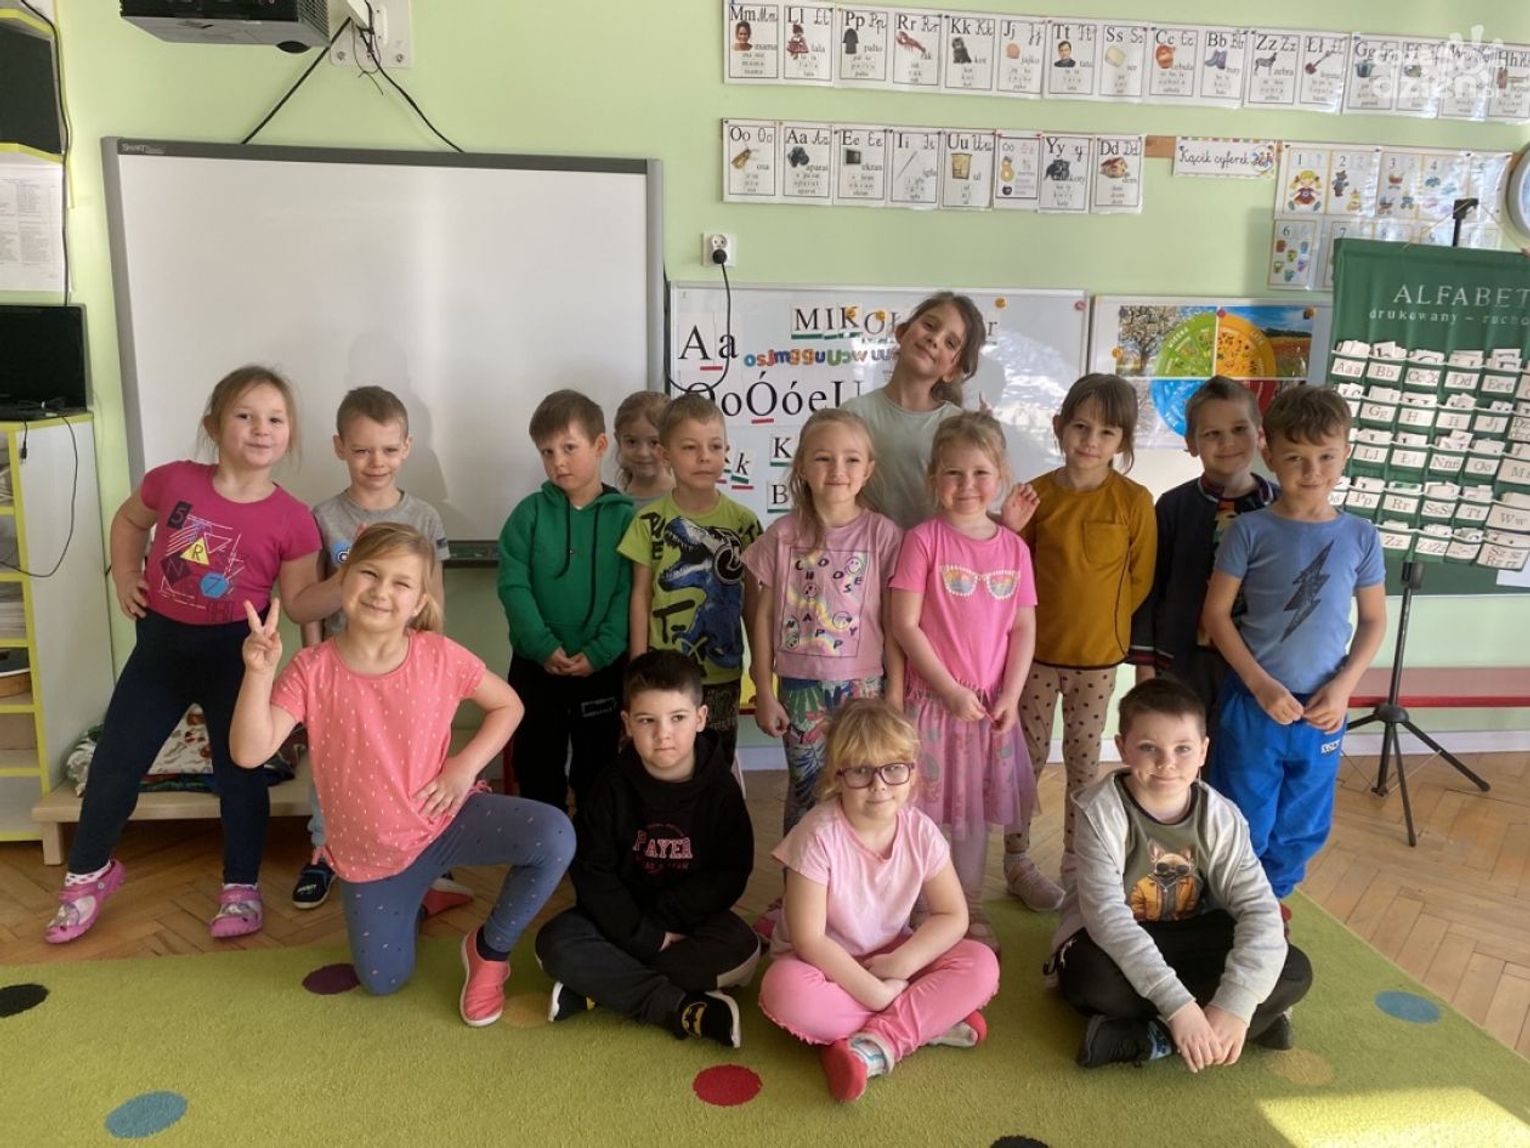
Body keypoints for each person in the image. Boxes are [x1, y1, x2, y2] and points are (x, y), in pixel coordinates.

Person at [230, 523, 575, 1025]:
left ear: (418, 603)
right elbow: (249, 752)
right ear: (345, 578)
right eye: (369, 573)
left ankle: (488, 951)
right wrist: (258, 673)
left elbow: (509, 706)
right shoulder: (311, 668)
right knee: (382, 982)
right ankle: (424, 896)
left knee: (555, 835)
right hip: (372, 858)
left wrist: (463, 768)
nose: (381, 591)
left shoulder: (439, 655)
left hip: (445, 821)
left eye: (401, 583)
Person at [46, 366, 326, 944]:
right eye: (245, 416)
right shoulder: (173, 480)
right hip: (160, 652)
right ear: (213, 426)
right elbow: (130, 520)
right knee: (113, 766)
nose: (261, 429)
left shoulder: (294, 519)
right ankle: (86, 877)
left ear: (290, 433)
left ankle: (241, 886)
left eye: (275, 419)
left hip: (236, 660)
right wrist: (125, 574)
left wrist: (351, 581)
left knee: (240, 776)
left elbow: (300, 604)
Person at [1050, 678, 1312, 1070]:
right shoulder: (1099, 812)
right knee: (1084, 976)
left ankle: (1151, 1038)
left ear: (1203, 750)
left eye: (1183, 748)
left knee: (1293, 967)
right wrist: (1178, 1006)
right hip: (1118, 942)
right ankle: (1252, 1024)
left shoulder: (1222, 817)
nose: (1167, 763)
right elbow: (1108, 920)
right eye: (1148, 747)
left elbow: (1258, 908)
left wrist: (1235, 1005)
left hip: (1194, 935)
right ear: (1122, 747)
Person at [758, 699, 999, 1104]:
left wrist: (900, 964)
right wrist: (877, 994)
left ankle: (874, 1044)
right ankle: (924, 1020)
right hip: (822, 965)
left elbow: (952, 914)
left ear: (912, 773)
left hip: (888, 957)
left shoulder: (920, 831)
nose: (879, 785)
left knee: (980, 962)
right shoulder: (817, 834)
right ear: (837, 776)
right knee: (783, 991)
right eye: (861, 771)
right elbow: (809, 940)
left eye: (893, 768)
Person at [1202, 385, 1386, 906]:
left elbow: (1374, 621)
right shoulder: (1249, 531)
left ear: (1346, 453)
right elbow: (1216, 615)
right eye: (1296, 458)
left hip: (1323, 709)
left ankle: (1272, 903)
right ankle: (1230, 904)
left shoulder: (1361, 536)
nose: (1312, 471)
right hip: (1254, 703)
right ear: (1269, 454)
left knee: (1303, 820)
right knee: (1243, 813)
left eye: (1326, 456)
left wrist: (1344, 688)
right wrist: (1260, 685)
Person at [534, 651, 760, 1047]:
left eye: (678, 718)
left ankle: (598, 989)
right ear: (627, 724)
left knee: (743, 949)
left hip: (689, 922)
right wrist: (643, 935)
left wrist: (662, 926)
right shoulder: (609, 785)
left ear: (701, 718)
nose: (663, 734)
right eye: (646, 720)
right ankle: (679, 1007)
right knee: (555, 944)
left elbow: (730, 872)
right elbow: (592, 870)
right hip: (620, 920)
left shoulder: (721, 789)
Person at [290, 385, 458, 910]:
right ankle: (324, 849)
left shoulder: (424, 518)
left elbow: (433, 601)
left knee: (411, 763)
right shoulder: (322, 517)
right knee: (333, 763)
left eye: (387, 449)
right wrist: (312, 669)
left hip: (406, 671)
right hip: (342, 669)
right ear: (339, 447)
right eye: (362, 450)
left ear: (406, 447)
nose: (376, 462)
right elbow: (308, 605)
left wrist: (430, 669)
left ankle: (423, 849)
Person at [1002, 373, 1156, 913]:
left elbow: (1140, 578)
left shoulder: (1134, 501)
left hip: (1097, 661)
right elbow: (1011, 571)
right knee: (1024, 759)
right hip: (1034, 658)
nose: (1091, 441)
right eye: (1081, 427)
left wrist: (1101, 627)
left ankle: (1076, 860)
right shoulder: (1035, 496)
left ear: (1123, 442)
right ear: (1059, 426)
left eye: (1107, 432)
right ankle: (1016, 858)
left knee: (1085, 764)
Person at [888, 412, 1037, 952]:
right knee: (920, 813)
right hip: (932, 705)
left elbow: (1023, 628)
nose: (967, 484)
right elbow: (904, 624)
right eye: (953, 472)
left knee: (974, 817)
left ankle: (968, 905)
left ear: (1000, 476)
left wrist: (1012, 697)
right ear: (934, 478)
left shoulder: (1015, 548)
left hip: (989, 712)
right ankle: (919, 907)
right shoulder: (922, 541)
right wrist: (950, 690)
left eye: (980, 473)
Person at [745, 407, 902, 835]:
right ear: (801, 466)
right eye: (823, 458)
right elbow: (762, 616)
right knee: (807, 791)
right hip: (798, 688)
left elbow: (894, 623)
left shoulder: (883, 535)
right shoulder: (782, 535)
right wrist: (763, 690)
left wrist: (895, 691)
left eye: (851, 459)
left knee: (862, 789)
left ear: (868, 469)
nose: (837, 470)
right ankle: (799, 875)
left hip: (864, 687)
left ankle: (855, 873)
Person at [498, 390, 635, 814]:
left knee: (597, 766)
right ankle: (543, 841)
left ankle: (591, 843)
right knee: (536, 763)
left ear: (599, 445)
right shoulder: (528, 515)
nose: (558, 461)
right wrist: (541, 646)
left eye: (569, 448)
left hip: (600, 667)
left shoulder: (626, 518)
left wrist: (601, 651)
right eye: (547, 452)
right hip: (536, 665)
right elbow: (513, 586)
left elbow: (628, 592)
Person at [620, 393, 761, 767]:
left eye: (714, 446)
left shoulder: (744, 523)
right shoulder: (647, 522)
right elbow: (641, 595)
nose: (704, 457)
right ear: (665, 455)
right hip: (663, 674)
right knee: (664, 762)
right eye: (690, 447)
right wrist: (638, 666)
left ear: (726, 451)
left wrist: (761, 668)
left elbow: (753, 602)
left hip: (722, 671)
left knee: (716, 763)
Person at [1129, 377, 1277, 734]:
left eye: (1239, 429)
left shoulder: (1281, 506)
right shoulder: (1173, 506)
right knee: (1182, 745)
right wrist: (1146, 664)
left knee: (1238, 749)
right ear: (1191, 444)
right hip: (1183, 661)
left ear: (1259, 435)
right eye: (1212, 434)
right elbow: (1150, 586)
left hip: (1258, 663)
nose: (1227, 442)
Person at [840, 292, 982, 530]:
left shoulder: (959, 426)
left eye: (950, 343)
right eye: (929, 325)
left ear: (952, 371)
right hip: (865, 551)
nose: (934, 339)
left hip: (934, 552)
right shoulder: (853, 415)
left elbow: (971, 508)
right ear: (902, 332)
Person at [612, 390, 673, 508]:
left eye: (654, 443)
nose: (642, 453)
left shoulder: (688, 500)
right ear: (618, 440)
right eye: (631, 442)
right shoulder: (613, 504)